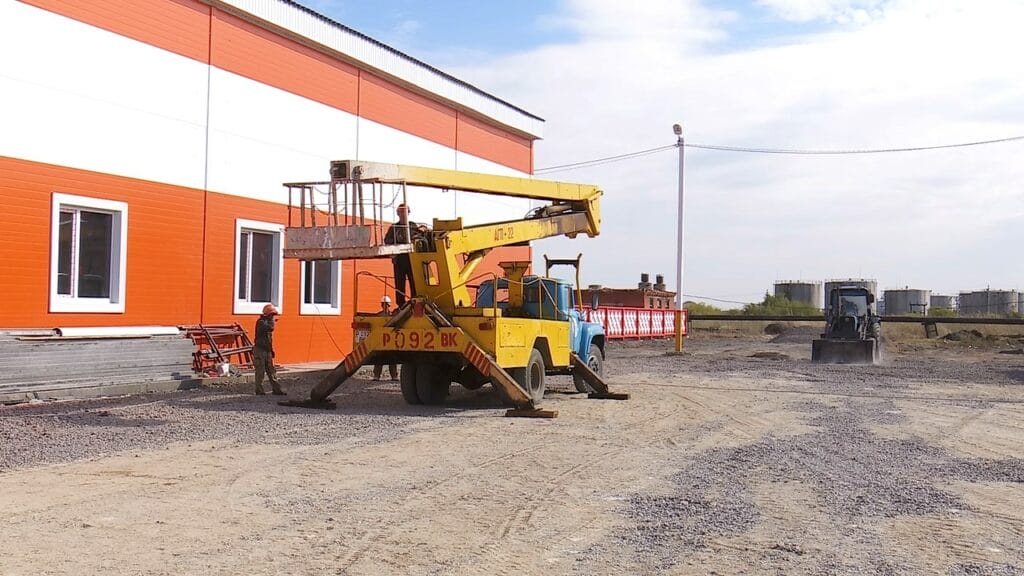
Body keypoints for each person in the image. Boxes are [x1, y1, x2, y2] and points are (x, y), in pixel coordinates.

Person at [383, 203, 429, 306]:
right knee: (399, 284)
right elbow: (387, 240)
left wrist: (423, 230)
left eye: (405, 212)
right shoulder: (394, 228)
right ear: (398, 214)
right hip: (399, 261)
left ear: (408, 213)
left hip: (412, 260)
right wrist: (398, 243)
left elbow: (421, 237)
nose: (403, 214)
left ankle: (415, 303)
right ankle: (401, 305)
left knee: (414, 282)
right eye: (401, 212)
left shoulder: (413, 226)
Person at [253, 303, 285, 396]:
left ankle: (277, 389)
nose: (273, 317)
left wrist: (271, 350)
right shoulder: (261, 322)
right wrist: (272, 321)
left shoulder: (267, 322)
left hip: (267, 350)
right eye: (272, 315)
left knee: (271, 371)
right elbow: (271, 328)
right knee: (260, 371)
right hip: (259, 350)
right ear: (268, 314)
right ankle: (259, 390)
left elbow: (269, 340)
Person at [372, 295, 399, 381]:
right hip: (381, 340)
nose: (385, 306)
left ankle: (394, 376)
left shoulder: (393, 315)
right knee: (379, 359)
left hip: (390, 340)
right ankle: (376, 376)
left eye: (386, 304)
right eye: (383, 304)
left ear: (389, 305)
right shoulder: (378, 316)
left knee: (392, 359)